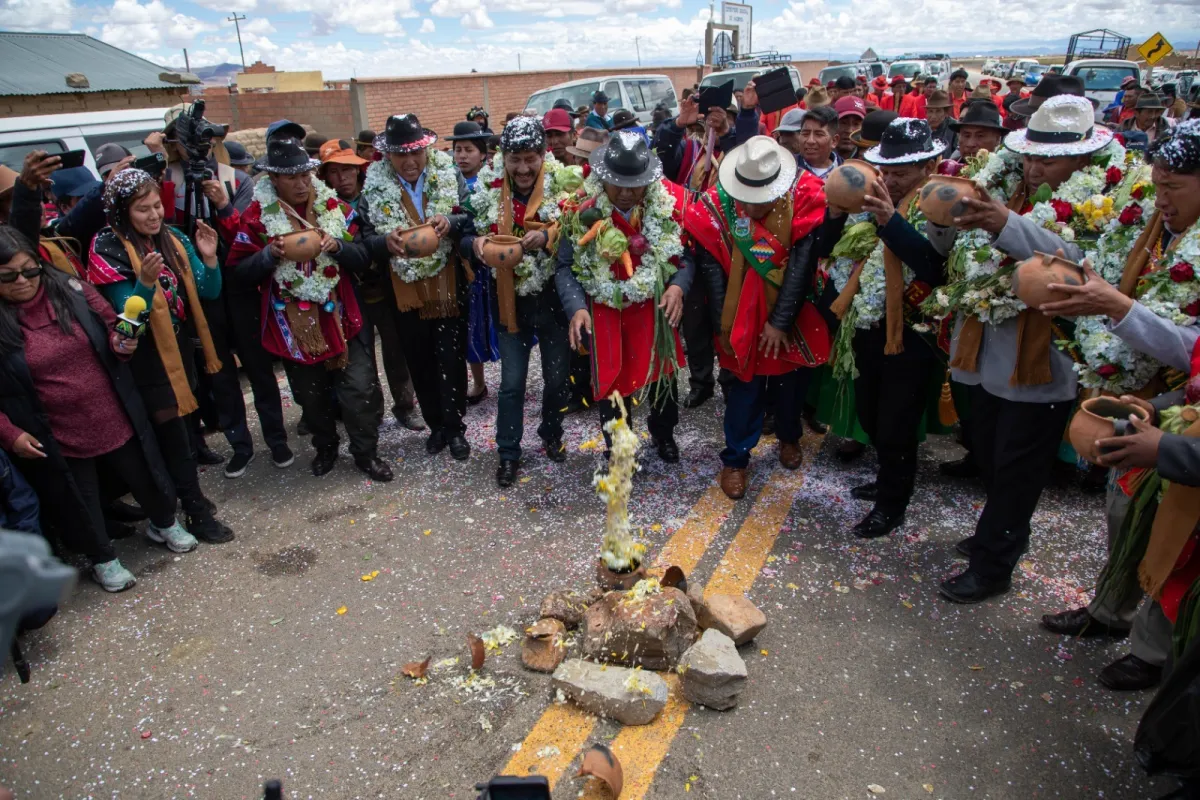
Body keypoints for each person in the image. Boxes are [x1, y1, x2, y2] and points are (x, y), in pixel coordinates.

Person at [1036, 119, 1200, 690]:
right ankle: (1110, 610)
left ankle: (1153, 652)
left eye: (1173, 187)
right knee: (1124, 515)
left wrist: (1118, 307)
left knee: (1175, 541)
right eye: (1157, 186)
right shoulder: (1153, 227)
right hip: (1160, 408)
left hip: (1182, 433)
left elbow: (1190, 348)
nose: (1162, 200)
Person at [938, 96, 1118, 603]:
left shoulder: (1109, 200)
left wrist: (1003, 223)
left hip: (1044, 360)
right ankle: (1003, 531)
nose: (1035, 168)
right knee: (989, 452)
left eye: (1049, 160)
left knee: (1019, 467)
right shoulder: (1008, 183)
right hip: (985, 350)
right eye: (1031, 157)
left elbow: (1081, 264)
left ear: (1085, 159)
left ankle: (993, 564)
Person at [0, 226, 201, 591]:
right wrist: (10, 433)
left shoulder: (73, 291)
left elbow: (114, 325)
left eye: (30, 270)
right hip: (56, 431)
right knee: (81, 498)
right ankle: (102, 559)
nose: (23, 281)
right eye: (8, 276)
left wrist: (122, 341)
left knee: (145, 473)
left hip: (112, 410)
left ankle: (163, 523)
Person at [815, 118, 950, 539]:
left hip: (909, 333)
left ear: (929, 167)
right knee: (871, 414)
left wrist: (891, 220)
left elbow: (934, 267)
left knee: (897, 423)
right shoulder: (869, 199)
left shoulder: (938, 205)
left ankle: (893, 502)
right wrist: (836, 212)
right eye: (886, 172)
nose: (890, 181)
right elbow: (825, 248)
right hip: (866, 325)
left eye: (901, 174)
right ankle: (888, 476)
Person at [227, 138, 391, 481]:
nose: (302, 184)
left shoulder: (336, 207)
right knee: (310, 396)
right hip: (293, 323)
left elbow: (364, 257)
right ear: (274, 179)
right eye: (292, 178)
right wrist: (269, 255)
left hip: (342, 316)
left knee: (359, 389)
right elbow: (239, 274)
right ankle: (325, 447)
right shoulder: (256, 217)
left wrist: (338, 247)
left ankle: (366, 453)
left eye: (306, 175)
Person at [87, 169, 235, 544]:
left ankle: (187, 497)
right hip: (147, 359)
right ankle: (192, 511)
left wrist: (209, 259)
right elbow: (129, 326)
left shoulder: (172, 238)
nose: (154, 215)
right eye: (142, 210)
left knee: (186, 431)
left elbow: (208, 291)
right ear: (121, 212)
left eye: (157, 206)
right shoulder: (107, 248)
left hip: (180, 349)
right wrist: (144, 285)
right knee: (172, 438)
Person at [687, 136, 829, 499]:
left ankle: (789, 436)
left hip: (789, 312)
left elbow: (802, 264)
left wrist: (780, 322)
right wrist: (726, 326)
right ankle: (736, 458)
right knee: (743, 389)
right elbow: (712, 272)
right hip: (739, 316)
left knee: (790, 385)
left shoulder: (805, 196)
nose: (751, 206)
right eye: (746, 198)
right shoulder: (714, 207)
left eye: (761, 198)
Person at [555, 132, 693, 461]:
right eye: (619, 184)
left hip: (653, 306)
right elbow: (564, 267)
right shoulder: (578, 211)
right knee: (612, 381)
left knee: (663, 379)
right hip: (604, 309)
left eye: (636, 185)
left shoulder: (666, 206)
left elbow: (686, 258)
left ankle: (663, 434)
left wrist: (678, 286)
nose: (627, 193)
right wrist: (576, 308)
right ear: (603, 177)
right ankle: (619, 447)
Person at [462, 117, 572, 487]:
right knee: (511, 384)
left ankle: (551, 432)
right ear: (502, 159)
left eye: (530, 159)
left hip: (554, 303)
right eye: (515, 160)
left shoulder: (564, 185)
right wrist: (476, 244)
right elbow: (463, 233)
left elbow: (579, 228)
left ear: (543, 155)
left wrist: (550, 236)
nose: (523, 169)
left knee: (557, 380)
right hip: (509, 305)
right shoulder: (486, 189)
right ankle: (508, 453)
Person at [360, 114, 475, 460]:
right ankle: (436, 425)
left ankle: (455, 428)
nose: (409, 161)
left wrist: (450, 221)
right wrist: (384, 243)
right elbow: (366, 238)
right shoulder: (373, 184)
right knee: (419, 359)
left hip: (447, 283)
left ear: (426, 150)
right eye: (400, 154)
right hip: (403, 289)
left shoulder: (449, 172)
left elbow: (472, 214)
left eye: (415, 153)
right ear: (388, 156)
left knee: (450, 357)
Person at [317, 139, 424, 434]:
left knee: (397, 350)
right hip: (349, 293)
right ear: (325, 177)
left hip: (386, 287)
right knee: (359, 357)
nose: (342, 178)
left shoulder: (376, 194)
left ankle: (405, 406)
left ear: (358, 170)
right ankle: (370, 412)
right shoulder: (320, 207)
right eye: (334, 172)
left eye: (347, 169)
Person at [447, 120, 499, 405]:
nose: (462, 156)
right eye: (458, 150)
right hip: (461, 266)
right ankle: (478, 383)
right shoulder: (447, 185)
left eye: (469, 150)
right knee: (470, 326)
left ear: (483, 154)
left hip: (492, 263)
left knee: (501, 321)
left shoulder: (494, 182)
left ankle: (512, 377)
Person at [796, 105, 842, 179]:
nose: (810, 141)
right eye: (805, 133)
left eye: (819, 134)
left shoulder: (847, 173)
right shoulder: (787, 168)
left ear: (834, 141)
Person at [834, 96, 866, 161]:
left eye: (856, 124)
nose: (849, 130)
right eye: (843, 123)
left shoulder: (869, 160)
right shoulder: (818, 157)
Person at [925, 90, 956, 155]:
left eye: (938, 111)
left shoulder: (954, 128)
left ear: (946, 113)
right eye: (930, 111)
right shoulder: (923, 129)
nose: (933, 116)